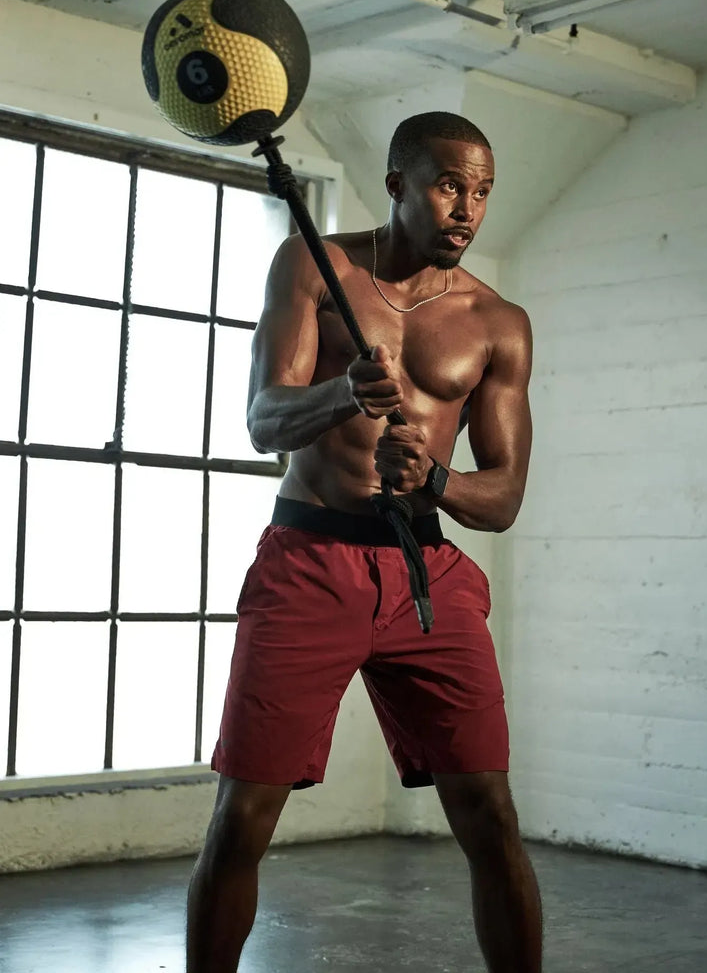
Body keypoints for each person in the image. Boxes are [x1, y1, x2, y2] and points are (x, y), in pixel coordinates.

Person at [187, 111, 541, 972]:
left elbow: (501, 501)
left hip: (428, 576)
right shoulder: (314, 265)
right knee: (242, 817)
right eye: (450, 184)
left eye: (483, 191)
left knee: (491, 813)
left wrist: (437, 482)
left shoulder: (498, 323)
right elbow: (263, 420)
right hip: (309, 563)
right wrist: (345, 391)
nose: (468, 208)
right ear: (397, 184)